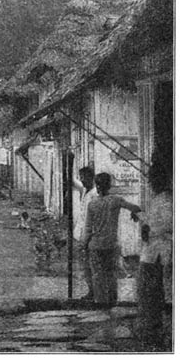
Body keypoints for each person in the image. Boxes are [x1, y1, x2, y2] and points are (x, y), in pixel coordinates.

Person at [82, 172, 141, 306]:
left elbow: (88, 228)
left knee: (98, 276)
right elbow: (136, 208)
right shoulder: (116, 200)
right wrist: (133, 213)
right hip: (111, 244)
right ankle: (112, 303)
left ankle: (101, 304)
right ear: (109, 185)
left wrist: (84, 245)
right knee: (111, 275)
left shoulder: (92, 204)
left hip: (95, 245)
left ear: (97, 186)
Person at [136, 146, 173, 346]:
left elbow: (165, 225)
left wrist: (146, 227)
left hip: (158, 254)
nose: (150, 182)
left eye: (153, 179)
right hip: (152, 253)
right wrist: (143, 219)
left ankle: (154, 330)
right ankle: (152, 327)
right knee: (148, 292)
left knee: (151, 292)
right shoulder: (160, 199)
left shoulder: (167, 200)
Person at [72, 166, 97, 300]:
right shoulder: (86, 192)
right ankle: (91, 290)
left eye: (85, 178)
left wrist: (86, 238)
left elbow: (91, 219)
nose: (83, 180)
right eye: (81, 178)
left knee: (90, 265)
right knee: (85, 265)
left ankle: (93, 291)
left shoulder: (94, 194)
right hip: (82, 233)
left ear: (91, 178)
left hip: (89, 235)